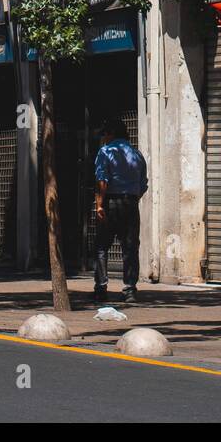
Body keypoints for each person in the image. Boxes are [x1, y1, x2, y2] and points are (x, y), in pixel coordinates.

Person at [93, 118, 147, 304]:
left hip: (110, 202)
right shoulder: (137, 155)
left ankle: (101, 288)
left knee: (101, 247)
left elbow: (102, 180)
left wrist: (100, 204)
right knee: (130, 248)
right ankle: (130, 290)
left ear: (110, 134)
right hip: (130, 204)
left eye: (105, 134)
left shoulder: (106, 152)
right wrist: (131, 199)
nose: (103, 138)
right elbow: (143, 185)